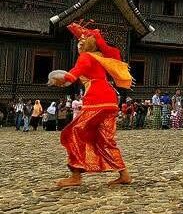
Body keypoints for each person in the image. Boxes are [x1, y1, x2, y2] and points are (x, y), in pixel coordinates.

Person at [49, 21, 133, 187]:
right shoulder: (100, 57)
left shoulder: (86, 57)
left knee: (72, 133)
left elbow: (74, 75)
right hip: (110, 100)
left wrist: (62, 79)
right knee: (104, 138)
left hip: (96, 99)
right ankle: (124, 174)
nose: (78, 46)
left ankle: (76, 175)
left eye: (79, 43)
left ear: (83, 45)